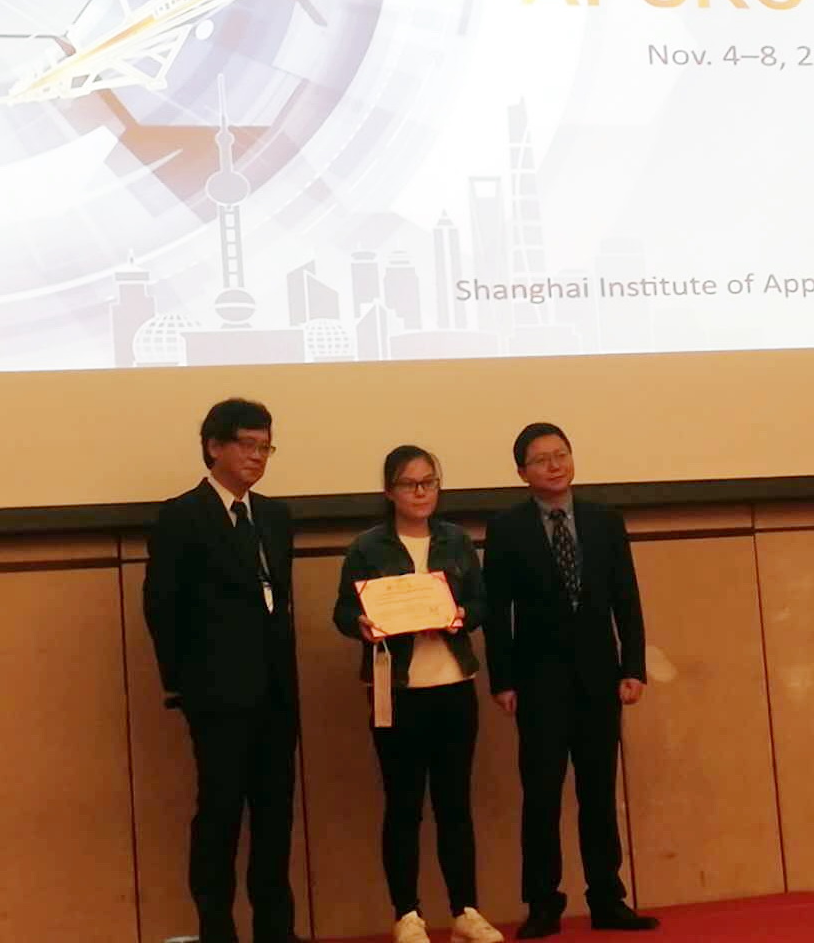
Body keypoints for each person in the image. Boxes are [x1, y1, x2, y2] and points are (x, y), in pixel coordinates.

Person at [483, 423, 659, 936]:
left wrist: (633, 667)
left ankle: (607, 899)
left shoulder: (605, 521)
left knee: (599, 794)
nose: (554, 465)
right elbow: (496, 611)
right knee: (541, 796)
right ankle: (543, 904)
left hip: (600, 678)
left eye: (561, 454)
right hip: (537, 683)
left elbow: (627, 598)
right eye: (541, 459)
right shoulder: (507, 528)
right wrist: (502, 680)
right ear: (522, 472)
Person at [143, 398, 302, 943]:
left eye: (266, 447)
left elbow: (278, 604)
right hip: (217, 696)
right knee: (220, 815)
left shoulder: (275, 517)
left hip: (276, 694)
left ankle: (276, 929)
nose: (258, 456)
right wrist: (183, 685)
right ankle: (218, 930)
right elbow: (161, 606)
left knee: (275, 816)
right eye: (247, 445)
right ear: (214, 446)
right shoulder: (182, 515)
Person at [334, 445, 505, 943]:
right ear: (389, 491)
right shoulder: (367, 547)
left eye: (429, 482)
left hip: (454, 685)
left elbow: (482, 601)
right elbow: (342, 612)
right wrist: (361, 624)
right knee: (403, 804)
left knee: (455, 803)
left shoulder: (456, 540)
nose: (421, 492)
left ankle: (465, 911)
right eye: (410, 484)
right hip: (397, 689)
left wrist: (462, 616)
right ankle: (407, 914)